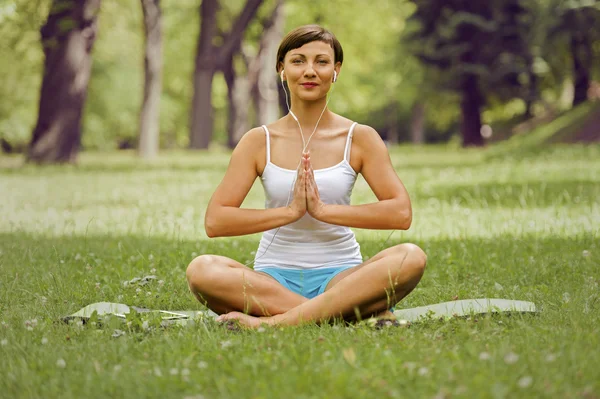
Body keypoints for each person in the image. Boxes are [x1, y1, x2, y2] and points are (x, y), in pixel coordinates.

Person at [186, 25, 427, 328]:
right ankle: (349, 311)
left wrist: (324, 211)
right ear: (282, 70)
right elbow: (216, 221)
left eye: (322, 62)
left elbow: (400, 213)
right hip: (272, 280)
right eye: (298, 61)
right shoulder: (258, 140)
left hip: (343, 276)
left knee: (411, 257)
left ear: (336, 70)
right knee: (202, 269)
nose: (310, 71)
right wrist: (289, 212)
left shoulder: (360, 137)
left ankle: (271, 324)